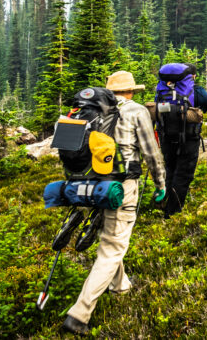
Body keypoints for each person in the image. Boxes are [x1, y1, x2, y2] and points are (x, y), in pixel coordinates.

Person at [62, 71, 166, 336]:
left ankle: (120, 285)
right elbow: (151, 151)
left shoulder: (84, 110)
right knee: (112, 246)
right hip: (122, 185)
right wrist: (161, 184)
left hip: (88, 184)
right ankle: (79, 314)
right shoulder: (136, 110)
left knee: (110, 238)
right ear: (131, 91)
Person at [157, 64, 207, 217]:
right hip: (188, 139)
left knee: (170, 170)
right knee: (183, 175)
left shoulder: (162, 90)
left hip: (166, 138)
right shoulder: (197, 91)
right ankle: (172, 213)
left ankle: (164, 203)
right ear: (192, 76)